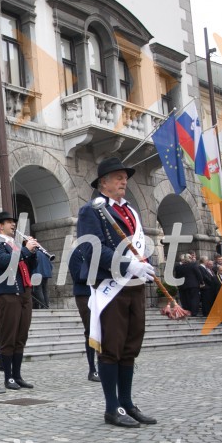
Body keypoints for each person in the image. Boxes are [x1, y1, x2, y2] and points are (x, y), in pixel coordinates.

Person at [76, 156, 157, 428]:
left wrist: (144, 265)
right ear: (103, 182)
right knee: (112, 347)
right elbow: (91, 248)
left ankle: (127, 403)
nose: (124, 182)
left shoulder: (131, 211)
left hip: (133, 286)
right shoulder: (91, 210)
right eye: (119, 177)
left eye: (125, 178)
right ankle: (112, 408)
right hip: (110, 286)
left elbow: (138, 247)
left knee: (130, 346)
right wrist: (127, 264)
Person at [0, 211, 38, 390]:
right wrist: (25, 250)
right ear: (0, 226)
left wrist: (32, 252)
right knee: (8, 336)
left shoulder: (16, 245)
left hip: (24, 293)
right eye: (9, 222)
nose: (13, 225)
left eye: (13, 222)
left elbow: (31, 266)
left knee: (21, 336)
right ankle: (8, 377)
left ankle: (17, 375)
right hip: (7, 294)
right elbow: (4, 262)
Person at [68, 246, 100, 382]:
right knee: (91, 331)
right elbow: (78, 275)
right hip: (85, 295)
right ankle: (92, 369)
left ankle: (105, 365)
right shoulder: (77, 253)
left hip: (100, 294)